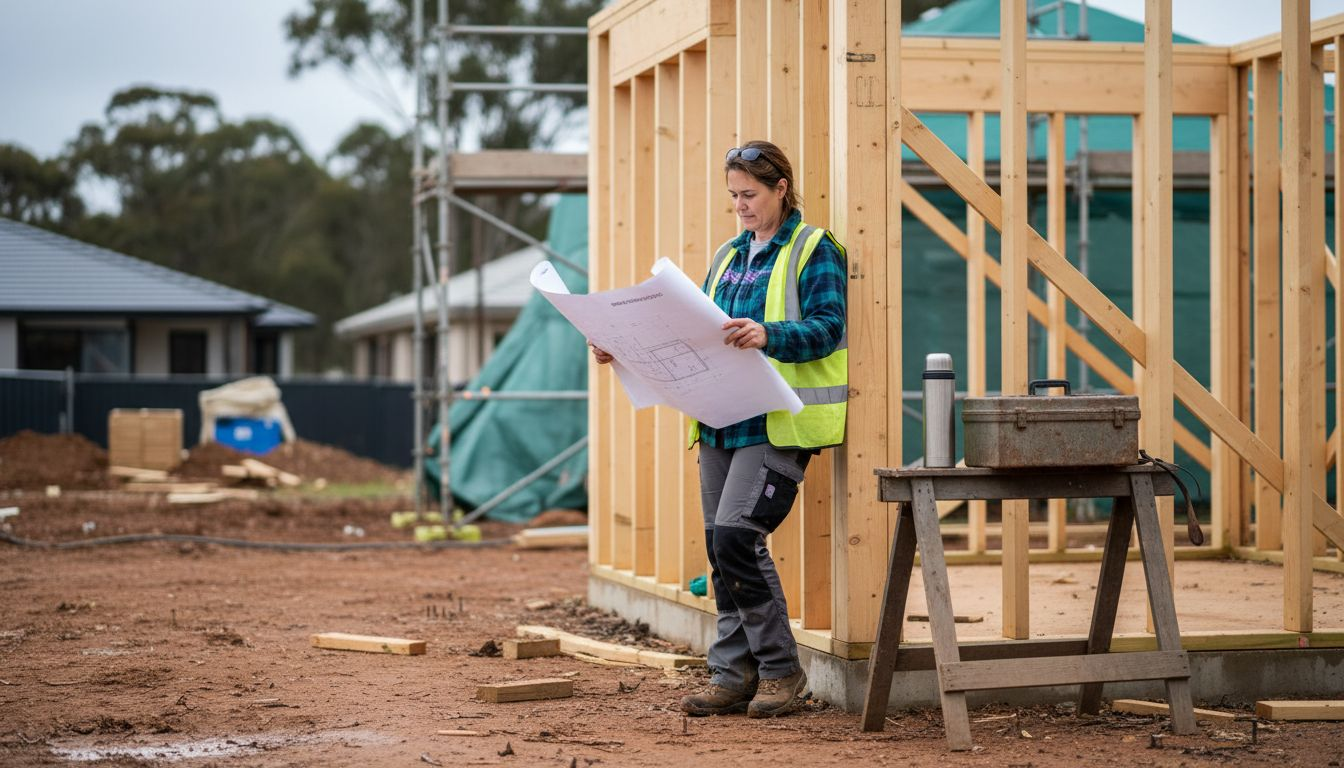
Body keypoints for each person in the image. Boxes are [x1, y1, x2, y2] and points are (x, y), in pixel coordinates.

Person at [591, 140, 847, 718]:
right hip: (719, 420)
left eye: (749, 194)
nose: (740, 206)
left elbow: (829, 328)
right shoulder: (729, 255)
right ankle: (732, 676)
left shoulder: (814, 248)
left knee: (736, 536)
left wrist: (769, 334)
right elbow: (694, 336)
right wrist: (622, 351)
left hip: (777, 422)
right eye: (733, 195)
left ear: (782, 188)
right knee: (720, 548)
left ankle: (782, 673)